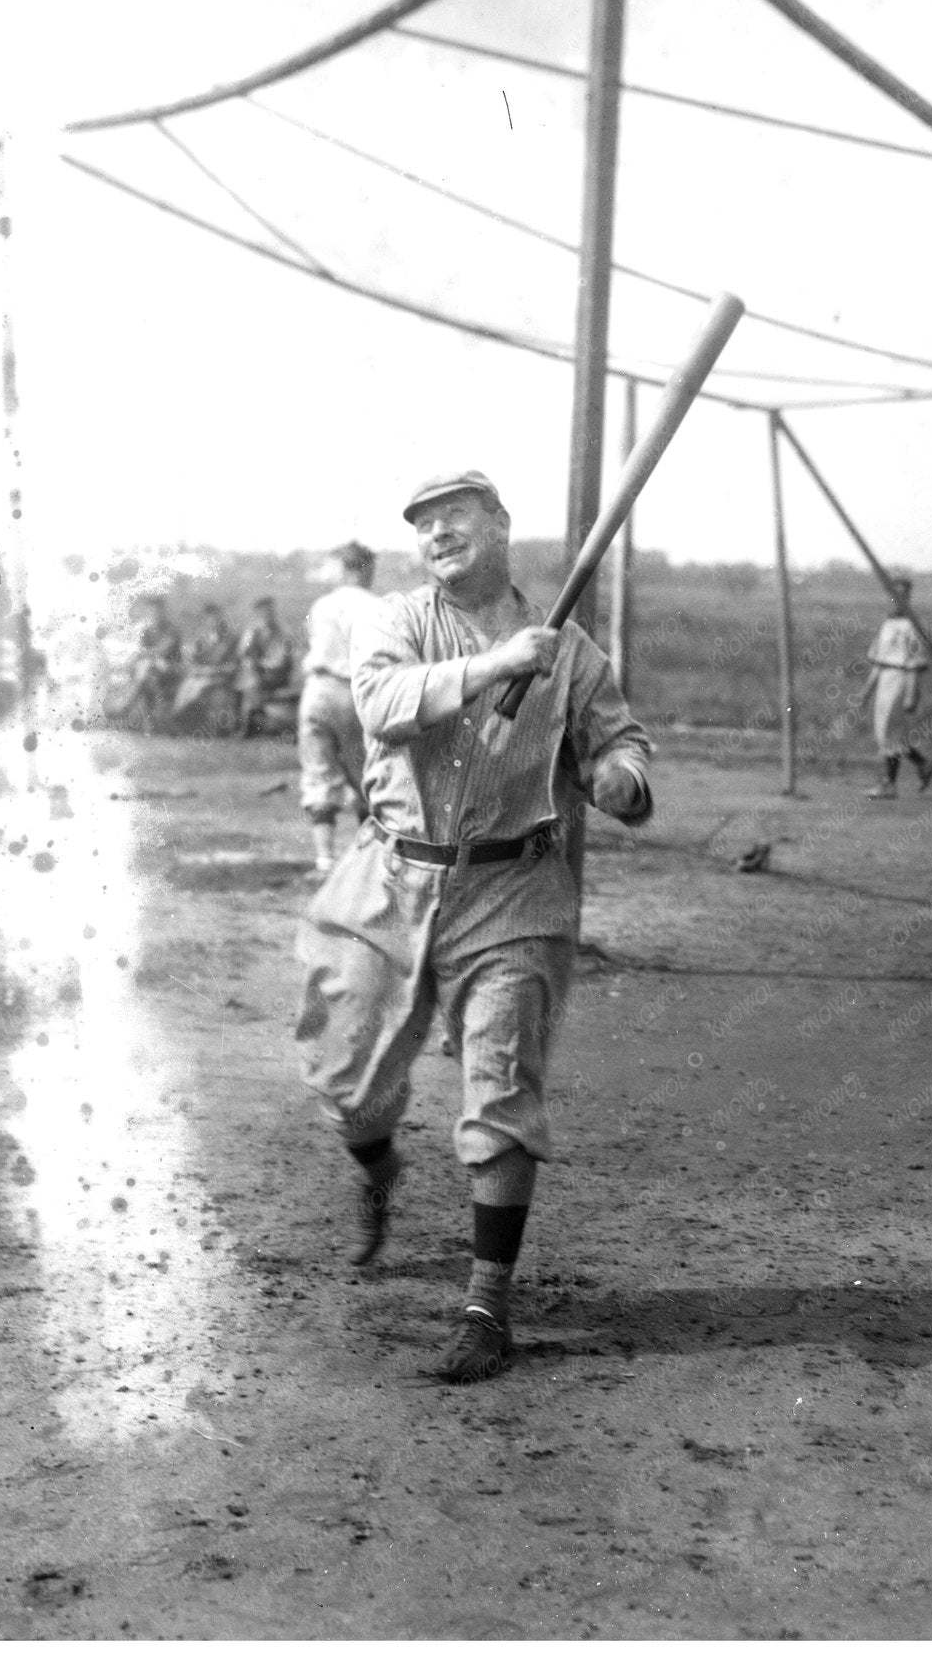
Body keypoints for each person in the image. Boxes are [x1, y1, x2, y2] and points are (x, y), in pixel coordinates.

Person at [294, 470, 652, 1384]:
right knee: (346, 1080)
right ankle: (377, 1165)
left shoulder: (571, 652)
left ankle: (487, 1307)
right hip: (392, 878)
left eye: (456, 517)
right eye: (425, 526)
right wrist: (495, 665)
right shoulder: (397, 622)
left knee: (500, 1093)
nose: (439, 534)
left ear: (499, 525)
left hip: (513, 893)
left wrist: (620, 778)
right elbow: (380, 705)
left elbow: (619, 739)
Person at [298, 542, 386, 874]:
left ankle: (324, 859)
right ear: (363, 569)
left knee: (318, 770)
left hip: (317, 689)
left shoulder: (322, 604)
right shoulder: (376, 605)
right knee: (366, 773)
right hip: (353, 690)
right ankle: (369, 858)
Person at [856, 575, 932, 799]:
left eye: (901, 596)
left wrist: (911, 694)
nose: (896, 600)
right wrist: (866, 692)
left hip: (900, 679)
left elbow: (914, 663)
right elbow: (879, 662)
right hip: (885, 680)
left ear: (908, 598)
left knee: (889, 731)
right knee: (885, 731)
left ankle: (889, 784)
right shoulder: (888, 624)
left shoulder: (911, 626)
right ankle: (923, 764)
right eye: (893, 595)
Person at [113, 594, 182, 725]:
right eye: (151, 612)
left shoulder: (171, 630)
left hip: (171, 667)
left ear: (163, 612)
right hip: (152, 667)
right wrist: (138, 657)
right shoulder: (147, 631)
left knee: (145, 665)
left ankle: (125, 706)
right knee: (144, 669)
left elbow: (163, 650)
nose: (154, 615)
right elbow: (143, 651)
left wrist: (142, 655)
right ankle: (135, 712)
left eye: (157, 611)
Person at [170, 602, 239, 728]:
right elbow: (190, 661)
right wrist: (199, 668)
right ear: (205, 621)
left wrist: (212, 670)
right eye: (210, 619)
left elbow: (233, 666)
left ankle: (180, 718)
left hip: (220, 677)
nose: (214, 622)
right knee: (188, 685)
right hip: (202, 676)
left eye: (217, 618)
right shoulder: (202, 640)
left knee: (199, 687)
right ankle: (178, 719)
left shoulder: (231, 640)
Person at [236, 596, 294, 738]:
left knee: (252, 683)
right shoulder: (255, 631)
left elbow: (280, 662)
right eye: (262, 613)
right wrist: (250, 641)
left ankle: (247, 726)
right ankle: (249, 722)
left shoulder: (283, 633)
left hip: (277, 676)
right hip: (259, 674)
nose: (266, 616)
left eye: (269, 612)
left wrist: (259, 664)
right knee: (249, 679)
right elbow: (243, 653)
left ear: (274, 613)